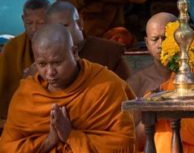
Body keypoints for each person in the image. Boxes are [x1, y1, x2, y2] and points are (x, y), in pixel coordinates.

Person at [0, 24, 135, 152]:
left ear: (74, 52)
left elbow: (125, 143)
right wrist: (49, 141)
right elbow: (7, 147)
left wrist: (71, 135)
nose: (50, 72)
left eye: (57, 62)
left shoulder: (106, 85)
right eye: (42, 64)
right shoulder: (27, 94)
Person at [46, 1, 131, 80]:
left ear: (80, 23)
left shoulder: (110, 51)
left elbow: (125, 89)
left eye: (65, 26)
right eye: (54, 29)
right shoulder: (46, 58)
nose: (60, 33)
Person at [0, 0, 49, 119]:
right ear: (23, 20)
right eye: (29, 23)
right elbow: (4, 85)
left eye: (40, 23)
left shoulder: (59, 44)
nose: (34, 28)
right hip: (17, 112)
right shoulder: (12, 47)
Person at [127, 12, 176, 98]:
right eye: (155, 39)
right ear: (147, 43)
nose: (160, 45)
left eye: (165, 38)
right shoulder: (137, 82)